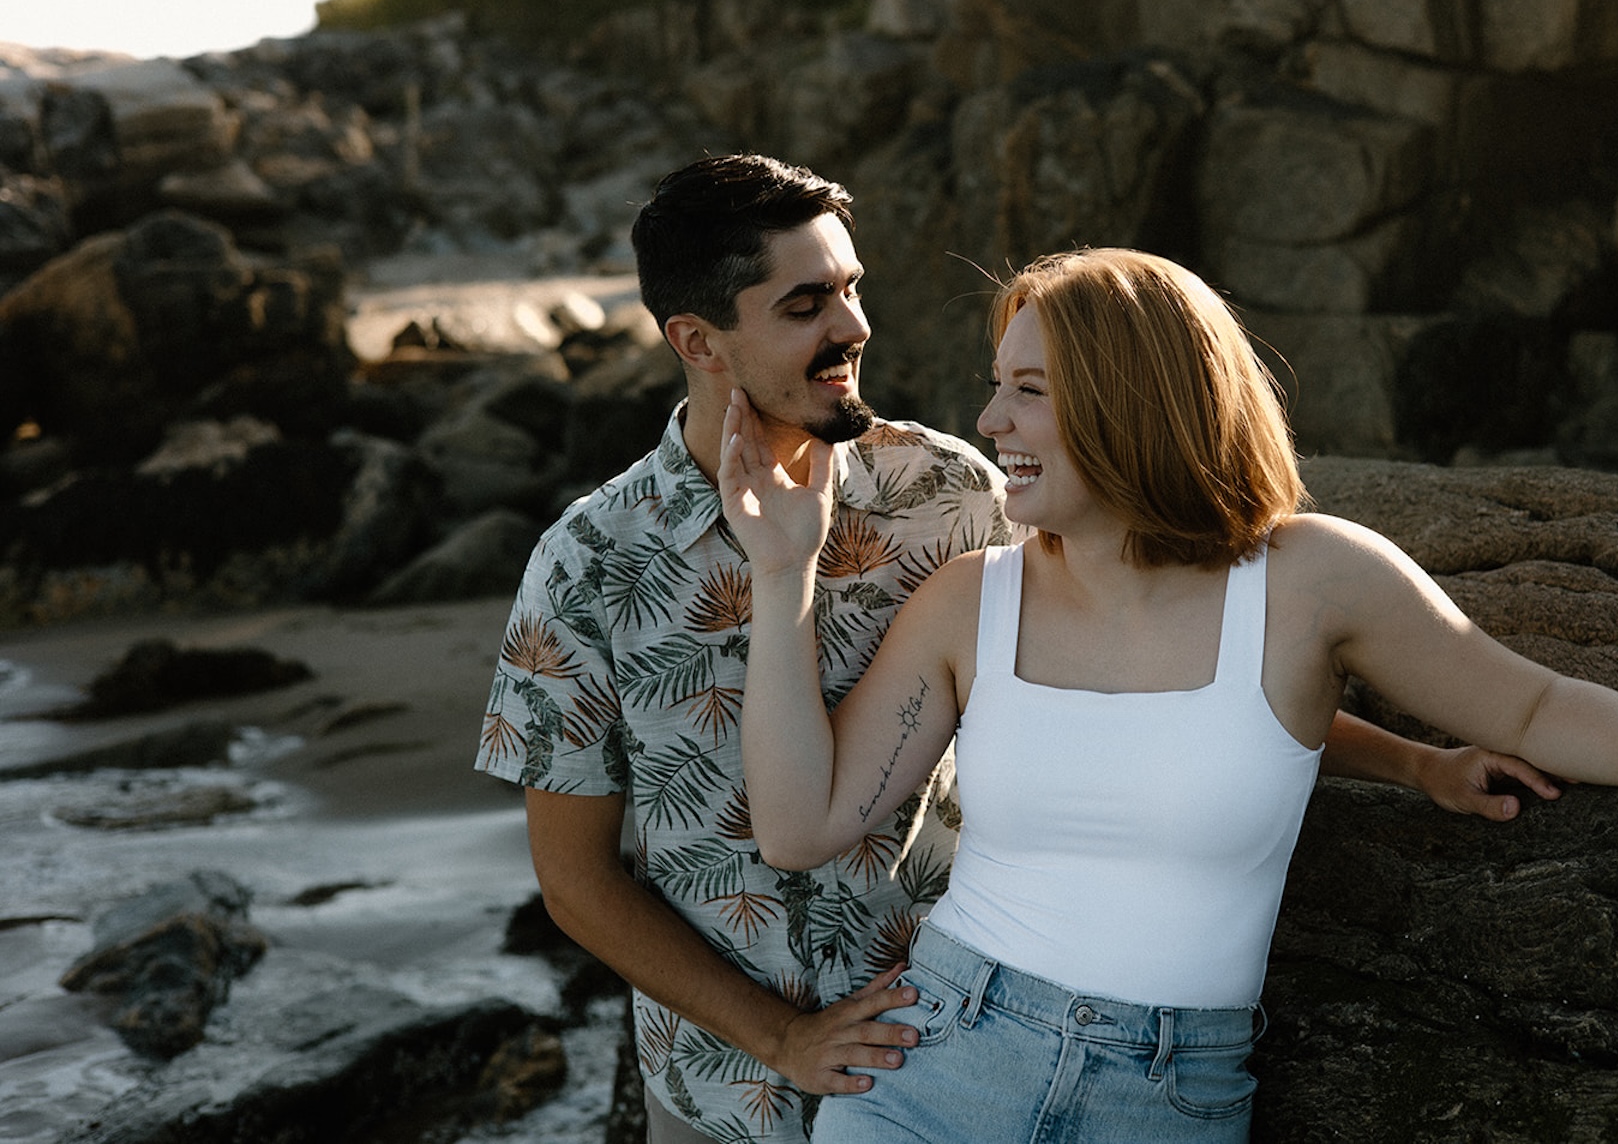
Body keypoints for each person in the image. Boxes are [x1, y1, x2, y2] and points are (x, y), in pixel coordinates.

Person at [478, 156, 1558, 1144]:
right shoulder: (586, 563)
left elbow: (1162, 673)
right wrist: (778, 1038)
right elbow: (575, 881)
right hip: (721, 1087)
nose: (853, 325)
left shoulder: (953, 494)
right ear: (699, 342)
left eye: (853, 286)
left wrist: (1413, 761)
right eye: (805, 305)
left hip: (954, 1040)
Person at [719, 246, 1618, 1144]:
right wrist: (784, 573)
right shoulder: (974, 600)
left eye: (1026, 390)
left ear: (1130, 400)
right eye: (994, 388)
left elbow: (1526, 708)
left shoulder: (1315, 578)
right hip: (939, 1068)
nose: (988, 424)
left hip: (1166, 1096)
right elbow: (802, 821)